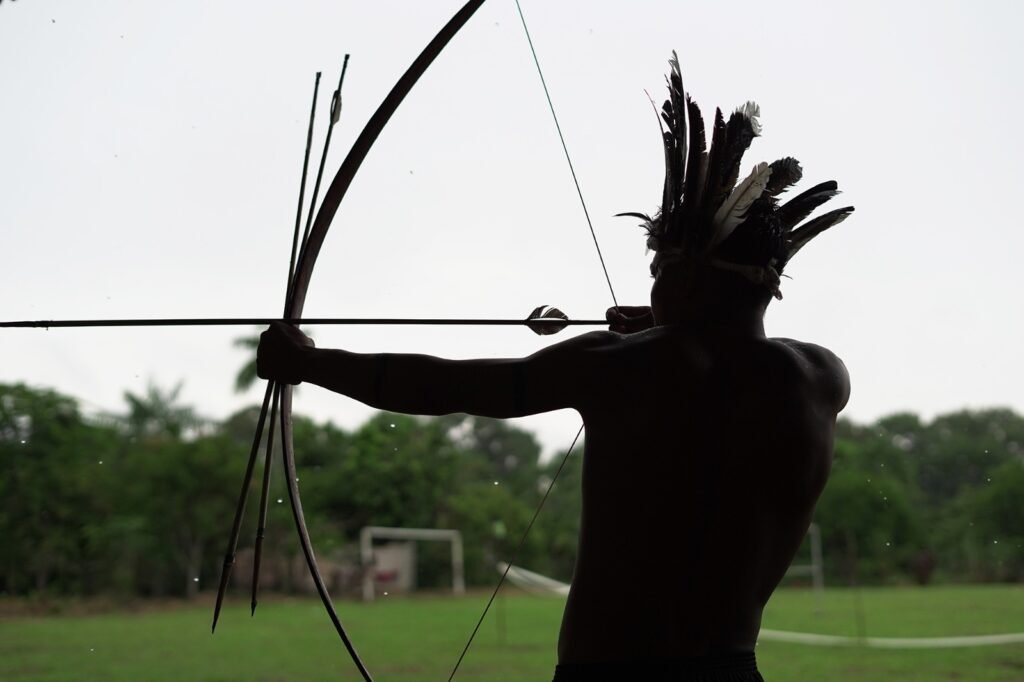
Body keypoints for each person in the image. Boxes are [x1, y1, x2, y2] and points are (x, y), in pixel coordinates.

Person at [258, 54, 853, 682]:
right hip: (731, 669)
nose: (651, 283)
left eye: (659, 271)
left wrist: (309, 364)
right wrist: (671, 326)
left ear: (689, 277)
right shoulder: (820, 378)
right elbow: (720, 368)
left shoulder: (618, 366)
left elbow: (448, 386)